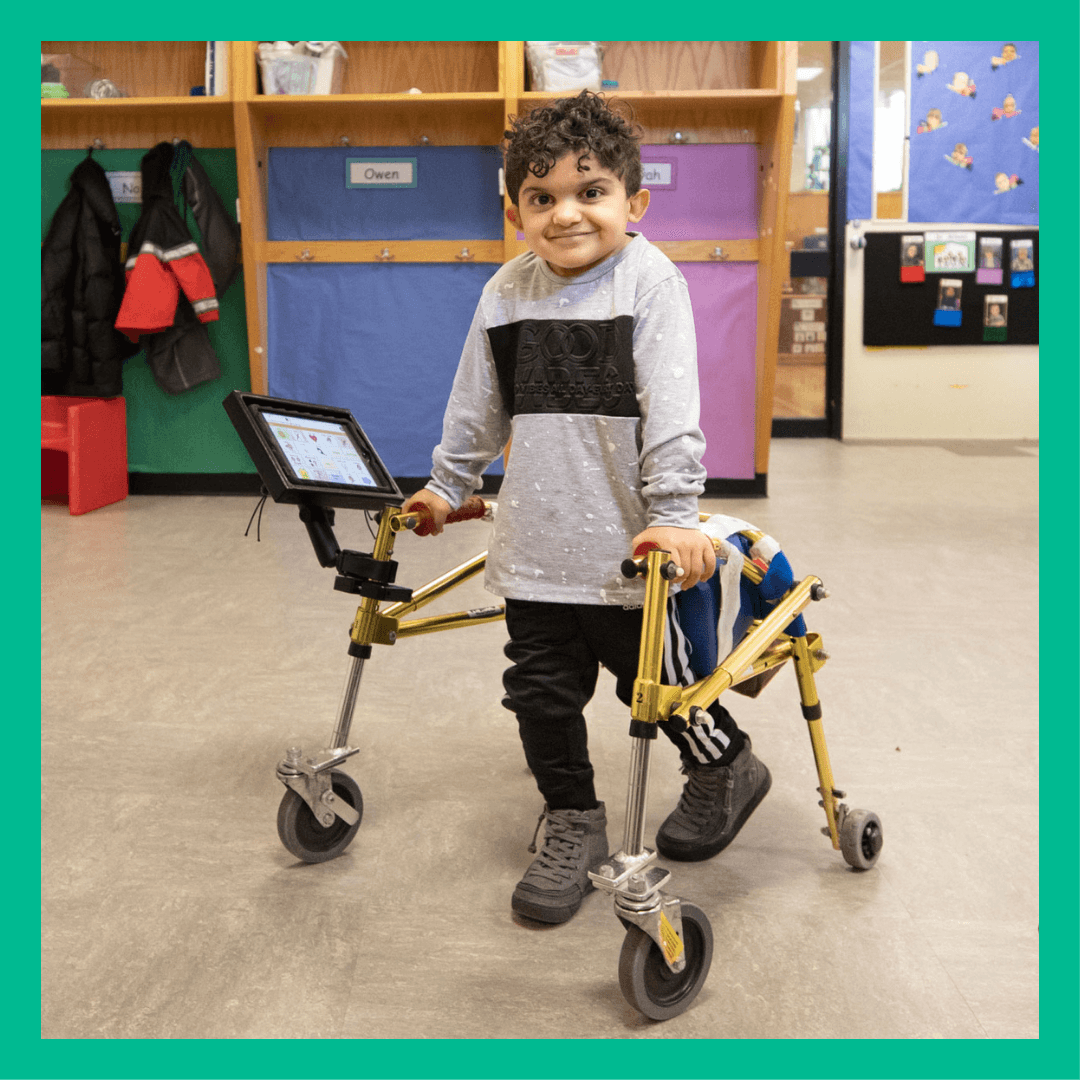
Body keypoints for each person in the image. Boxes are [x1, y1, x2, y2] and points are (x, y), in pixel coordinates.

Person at [405, 91, 769, 925]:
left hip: (631, 550)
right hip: (534, 549)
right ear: (514, 211)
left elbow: (674, 411)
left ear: (633, 202)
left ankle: (725, 766)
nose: (566, 213)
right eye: (542, 197)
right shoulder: (505, 292)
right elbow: (477, 403)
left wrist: (677, 513)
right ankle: (572, 818)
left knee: (664, 691)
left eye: (590, 191)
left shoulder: (651, 282)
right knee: (540, 692)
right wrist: (448, 483)